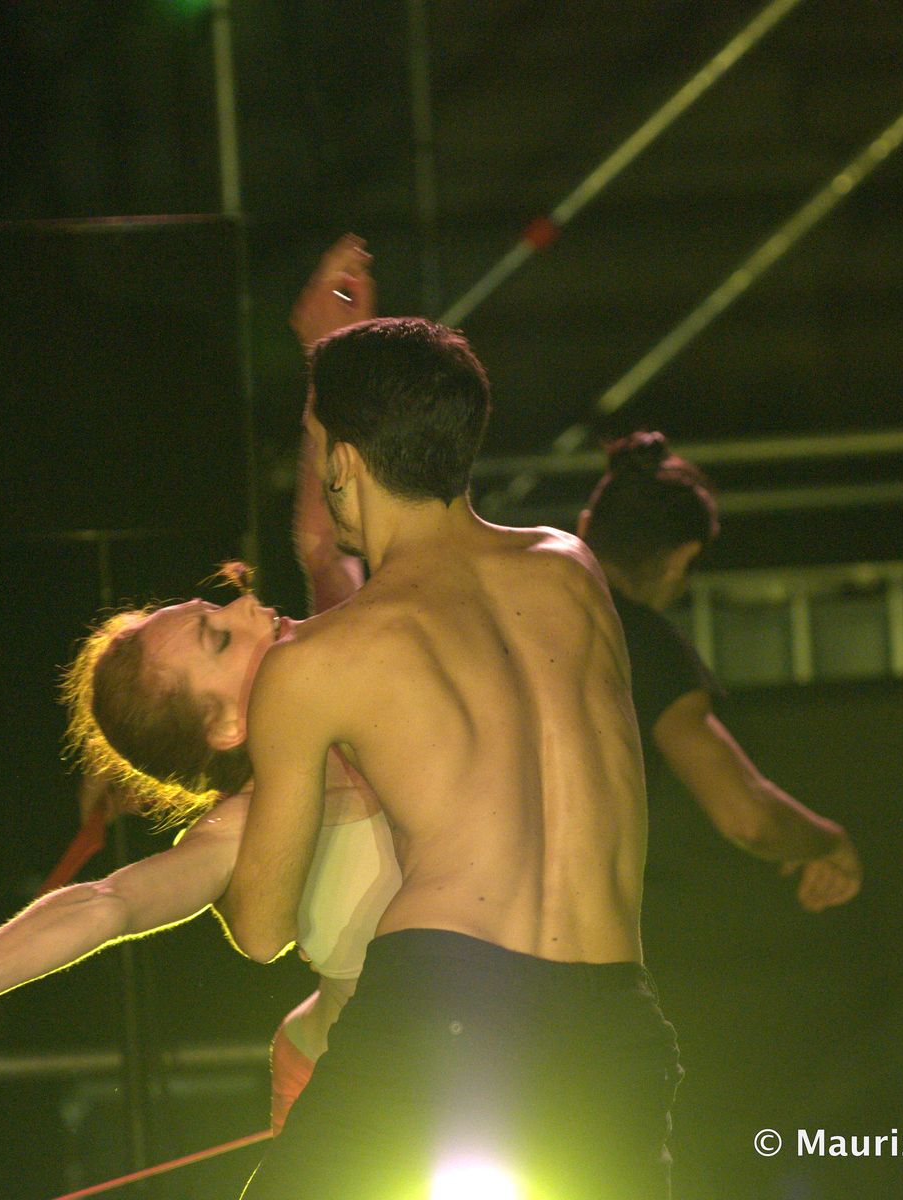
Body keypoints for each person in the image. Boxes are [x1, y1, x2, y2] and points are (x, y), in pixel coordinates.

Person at [0, 238, 397, 1138]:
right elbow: (108, 903)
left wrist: (326, 361)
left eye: (218, 609)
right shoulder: (245, 825)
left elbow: (322, 541)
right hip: (344, 1089)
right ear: (222, 725)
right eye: (219, 636)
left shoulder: (357, 663)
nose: (252, 607)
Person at [215, 317, 682, 1199]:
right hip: (614, 1018)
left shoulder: (318, 663)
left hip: (447, 1004)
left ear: (340, 462)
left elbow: (263, 929)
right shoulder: (571, 571)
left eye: (315, 446)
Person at [579, 432, 861, 910]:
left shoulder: (499, 604)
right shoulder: (646, 645)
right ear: (683, 557)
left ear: (586, 525)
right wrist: (828, 842)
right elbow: (749, 819)